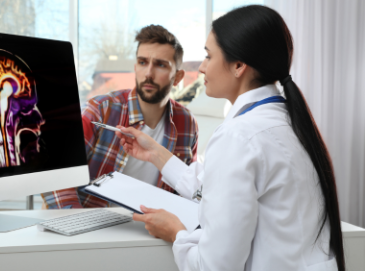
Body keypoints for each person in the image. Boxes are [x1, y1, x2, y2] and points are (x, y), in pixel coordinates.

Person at [116, 5, 345, 271]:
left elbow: (214, 266)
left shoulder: (239, 136)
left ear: (238, 66)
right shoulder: (286, 121)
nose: (201, 67)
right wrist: (156, 153)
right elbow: (215, 189)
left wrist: (176, 233)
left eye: (208, 56)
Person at [41, 25, 199, 209]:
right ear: (135, 67)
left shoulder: (186, 123)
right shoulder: (101, 110)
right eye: (142, 62)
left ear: (178, 77)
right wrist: (78, 224)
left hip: (151, 230)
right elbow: (56, 174)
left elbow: (188, 192)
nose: (148, 73)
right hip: (91, 224)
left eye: (160, 65)